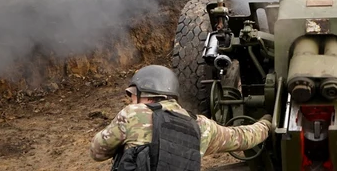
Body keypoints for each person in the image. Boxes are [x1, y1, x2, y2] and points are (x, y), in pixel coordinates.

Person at [90, 64, 273, 170]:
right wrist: (266, 123)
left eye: (132, 95)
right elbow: (242, 138)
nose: (130, 100)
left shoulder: (132, 114)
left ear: (144, 92)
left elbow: (97, 152)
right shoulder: (201, 125)